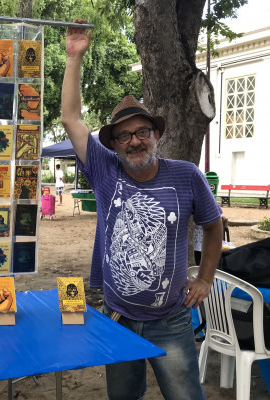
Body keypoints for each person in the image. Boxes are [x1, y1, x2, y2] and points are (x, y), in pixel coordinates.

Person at [61, 20, 223, 400]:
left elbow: (213, 225)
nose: (134, 141)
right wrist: (74, 58)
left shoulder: (186, 175)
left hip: (171, 320)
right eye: (124, 135)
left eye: (142, 132)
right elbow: (70, 119)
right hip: (118, 318)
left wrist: (205, 278)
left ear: (156, 135)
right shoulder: (104, 170)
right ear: (114, 144)